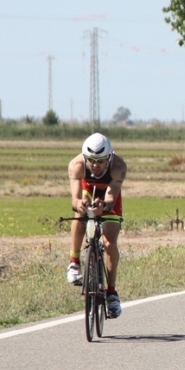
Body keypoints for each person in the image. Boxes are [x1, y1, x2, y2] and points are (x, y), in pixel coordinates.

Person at [66, 133, 127, 318]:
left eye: (100, 160)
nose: (95, 165)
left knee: (109, 243)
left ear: (108, 157)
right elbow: (74, 199)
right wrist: (80, 204)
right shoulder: (76, 165)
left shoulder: (118, 166)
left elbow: (111, 196)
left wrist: (105, 205)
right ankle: (74, 263)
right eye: (91, 160)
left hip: (108, 195)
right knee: (79, 214)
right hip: (88, 191)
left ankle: (111, 293)